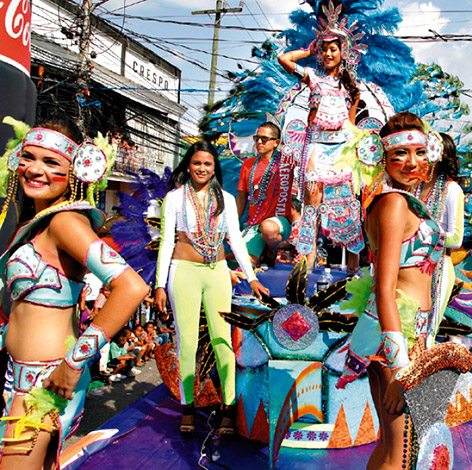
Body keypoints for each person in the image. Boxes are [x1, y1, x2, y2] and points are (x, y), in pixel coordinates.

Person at [0, 117, 148, 469]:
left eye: (51, 162)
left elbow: (131, 286)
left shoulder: (66, 222)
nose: (35, 169)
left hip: (45, 381)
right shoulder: (39, 222)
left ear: (76, 170)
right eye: (29, 157)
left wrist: (73, 364)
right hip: (18, 375)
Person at [336, 113, 454, 468]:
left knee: (396, 446)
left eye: (419, 152)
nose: (412, 162)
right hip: (394, 335)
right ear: (382, 158)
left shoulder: (400, 201)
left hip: (407, 331)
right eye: (400, 154)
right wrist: (401, 364)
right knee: (401, 452)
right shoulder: (394, 204)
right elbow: (384, 287)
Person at [154, 141, 270, 438]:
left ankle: (228, 410)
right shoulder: (175, 198)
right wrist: (159, 285)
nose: (202, 169)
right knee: (187, 345)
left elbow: (235, 239)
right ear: (188, 166)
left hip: (217, 272)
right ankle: (188, 408)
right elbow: (167, 243)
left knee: (223, 343)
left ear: (214, 168)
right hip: (183, 274)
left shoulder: (226, 199)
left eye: (207, 164)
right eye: (196, 163)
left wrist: (251, 277)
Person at [277, 8, 366, 268]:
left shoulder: (352, 88)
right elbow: (284, 59)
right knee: (311, 209)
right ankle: (306, 269)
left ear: (343, 53)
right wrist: (309, 49)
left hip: (341, 152)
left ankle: (352, 273)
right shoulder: (312, 78)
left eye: (332, 49)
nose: (327, 54)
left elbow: (350, 125)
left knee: (347, 210)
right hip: (316, 147)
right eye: (324, 49)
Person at [415, 133, 464, 319]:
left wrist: (421, 235)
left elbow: (456, 238)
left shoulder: (452, 190)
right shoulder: (416, 187)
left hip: (438, 267)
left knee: (426, 328)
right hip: (411, 265)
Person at [236, 122, 294, 267]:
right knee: (245, 264)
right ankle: (259, 254)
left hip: (278, 224)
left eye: (264, 138)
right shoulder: (248, 165)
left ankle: (271, 249)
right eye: (256, 138)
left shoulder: (286, 162)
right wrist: (233, 224)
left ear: (276, 143)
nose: (259, 142)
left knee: (268, 228)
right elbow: (242, 197)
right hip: (253, 224)